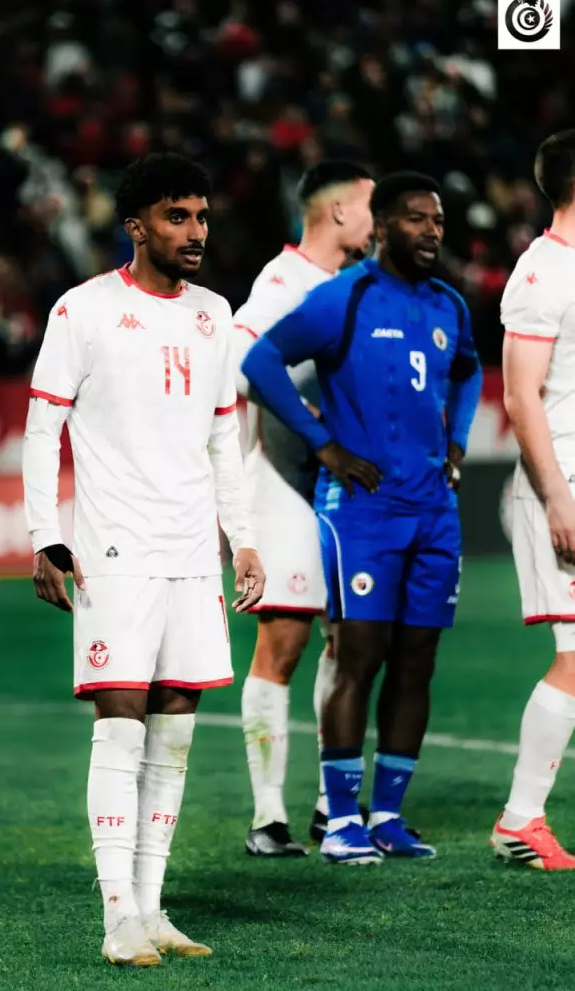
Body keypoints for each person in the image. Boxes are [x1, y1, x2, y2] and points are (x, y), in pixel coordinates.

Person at [23, 153, 265, 965]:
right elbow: (40, 428)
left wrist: (245, 535)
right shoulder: (82, 310)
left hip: (194, 550)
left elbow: (222, 436)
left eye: (201, 216)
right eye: (177, 217)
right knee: (121, 729)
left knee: (175, 735)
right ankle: (116, 916)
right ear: (137, 225)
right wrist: (42, 535)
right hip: (114, 551)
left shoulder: (214, 313)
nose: (196, 232)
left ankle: (154, 910)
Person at [241, 172, 482, 864]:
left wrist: (458, 438)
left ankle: (388, 817)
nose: (432, 230)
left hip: (434, 510)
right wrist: (326, 446)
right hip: (365, 512)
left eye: (438, 219)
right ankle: (339, 820)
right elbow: (260, 361)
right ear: (380, 226)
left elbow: (467, 371)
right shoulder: (343, 297)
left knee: (418, 663)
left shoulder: (448, 306)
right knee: (357, 655)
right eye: (415, 219)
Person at [233, 161, 375, 856]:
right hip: (284, 480)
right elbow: (241, 365)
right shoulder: (282, 281)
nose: (380, 223)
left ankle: (331, 803)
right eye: (374, 207)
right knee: (283, 641)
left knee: (348, 641)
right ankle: (267, 817)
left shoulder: (363, 286)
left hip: (345, 490)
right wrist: (314, 425)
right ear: (341, 211)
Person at [491, 129, 575, 870]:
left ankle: (523, 816)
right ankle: (521, 819)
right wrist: (557, 499)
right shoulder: (542, 275)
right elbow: (521, 397)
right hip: (564, 486)